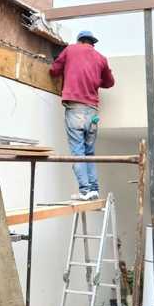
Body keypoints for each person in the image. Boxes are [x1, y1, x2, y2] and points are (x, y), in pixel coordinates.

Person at [49, 30, 115, 201]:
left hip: (76, 109)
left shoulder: (70, 50)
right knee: (89, 153)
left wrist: (66, 69)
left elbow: (53, 70)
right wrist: (95, 79)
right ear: (93, 43)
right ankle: (93, 189)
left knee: (78, 152)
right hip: (92, 112)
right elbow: (110, 82)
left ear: (79, 41)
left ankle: (85, 191)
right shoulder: (101, 58)